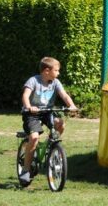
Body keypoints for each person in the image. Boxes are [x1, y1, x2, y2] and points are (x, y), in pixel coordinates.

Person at [20, 57, 78, 186]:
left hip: (47, 112)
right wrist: (29, 106)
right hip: (32, 114)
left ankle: (51, 145)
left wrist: (71, 105)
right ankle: (26, 169)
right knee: (34, 138)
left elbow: (64, 95)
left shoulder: (55, 82)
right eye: (56, 70)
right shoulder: (33, 81)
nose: (58, 73)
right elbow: (25, 95)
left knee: (61, 124)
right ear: (47, 71)